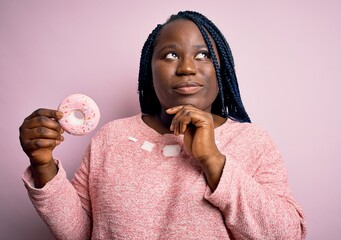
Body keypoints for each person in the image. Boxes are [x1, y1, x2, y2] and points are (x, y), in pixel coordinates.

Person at [19, 10, 306, 239]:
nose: (186, 67)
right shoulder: (112, 138)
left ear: (222, 70)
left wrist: (213, 160)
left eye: (203, 54)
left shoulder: (251, 141)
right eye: (170, 55)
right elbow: (80, 233)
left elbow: (288, 235)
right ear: (149, 70)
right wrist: (43, 165)